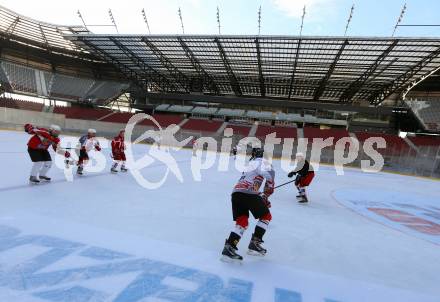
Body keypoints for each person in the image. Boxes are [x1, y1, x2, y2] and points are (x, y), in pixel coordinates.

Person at [221, 147, 275, 262]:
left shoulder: (250, 164)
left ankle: (229, 247)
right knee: (266, 216)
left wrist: (262, 196)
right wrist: (270, 184)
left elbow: (252, 183)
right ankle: (255, 243)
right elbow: (267, 175)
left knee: (242, 221)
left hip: (236, 193)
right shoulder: (260, 162)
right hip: (248, 193)